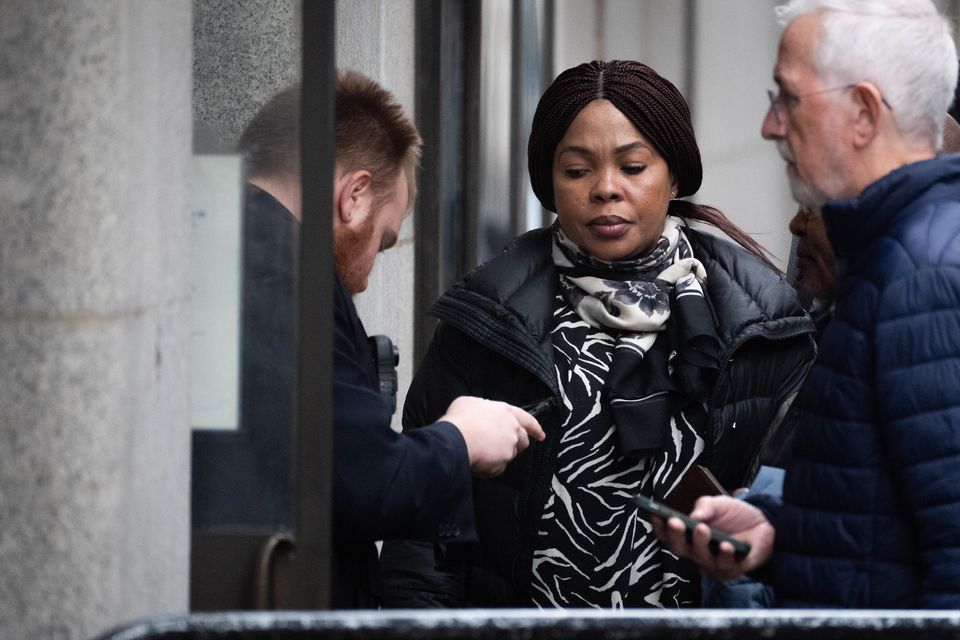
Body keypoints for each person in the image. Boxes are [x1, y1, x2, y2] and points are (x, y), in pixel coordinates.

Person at [380, 60, 817, 609]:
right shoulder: (486, 317)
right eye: (577, 170)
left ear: (674, 175)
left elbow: (805, 512)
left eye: (633, 167)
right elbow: (422, 532)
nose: (606, 189)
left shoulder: (764, 323)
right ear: (549, 183)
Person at [654, 0, 960, 609]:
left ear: (865, 113)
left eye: (789, 99)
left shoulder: (925, 275)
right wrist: (779, 531)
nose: (771, 126)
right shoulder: (894, 256)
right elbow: (886, 524)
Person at [235, 71, 545, 608]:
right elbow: (357, 476)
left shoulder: (235, 244)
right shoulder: (282, 270)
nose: (365, 278)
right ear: (354, 195)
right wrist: (461, 440)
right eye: (382, 241)